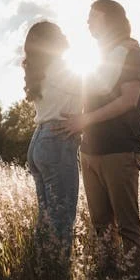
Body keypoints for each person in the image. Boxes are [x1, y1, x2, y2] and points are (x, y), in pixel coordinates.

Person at [54, 0, 140, 280]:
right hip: (89, 152)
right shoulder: (98, 59)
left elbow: (128, 100)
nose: (88, 24)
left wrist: (85, 120)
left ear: (109, 21)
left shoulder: (132, 53)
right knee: (100, 228)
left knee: (127, 227)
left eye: (92, 18)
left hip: (120, 150)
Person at [23, 21, 82, 259]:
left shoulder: (40, 70)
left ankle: (42, 265)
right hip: (57, 140)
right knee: (62, 216)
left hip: (39, 140)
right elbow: (95, 87)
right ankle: (58, 271)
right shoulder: (61, 68)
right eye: (60, 32)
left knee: (46, 215)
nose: (65, 34)